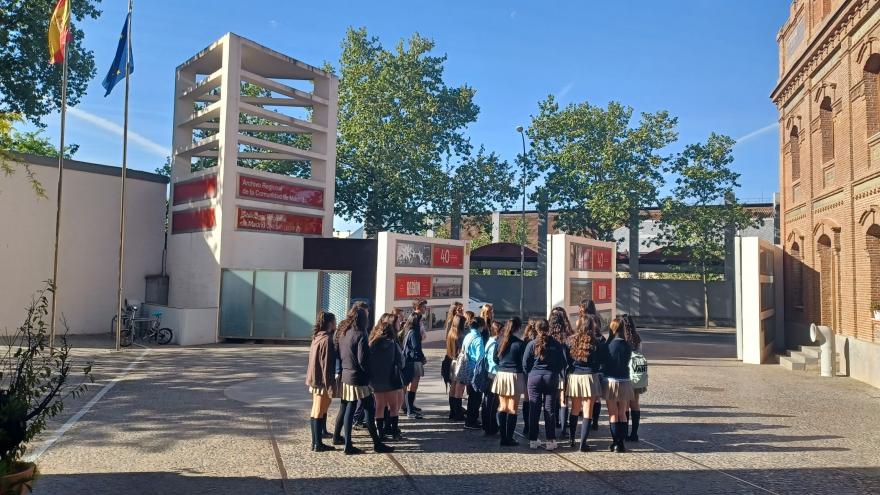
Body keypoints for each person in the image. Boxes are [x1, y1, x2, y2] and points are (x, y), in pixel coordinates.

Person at [338, 306, 394, 455]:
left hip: (347, 375)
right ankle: (374, 443)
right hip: (360, 378)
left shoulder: (344, 332)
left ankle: (350, 443)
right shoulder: (360, 334)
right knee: (369, 408)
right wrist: (370, 373)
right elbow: (363, 360)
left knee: (351, 408)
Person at [566, 301, 608, 451]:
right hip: (590, 377)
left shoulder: (571, 341)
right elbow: (602, 360)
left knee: (574, 409)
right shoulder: (596, 342)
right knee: (587, 411)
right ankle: (583, 444)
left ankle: (571, 439)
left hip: (575, 377)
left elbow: (568, 359)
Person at [522, 318, 567, 450]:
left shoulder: (531, 344)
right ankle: (550, 440)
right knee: (550, 409)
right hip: (550, 377)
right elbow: (562, 363)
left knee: (534, 408)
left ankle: (533, 439)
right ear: (549, 329)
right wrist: (555, 371)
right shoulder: (556, 344)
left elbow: (525, 363)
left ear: (536, 329)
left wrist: (530, 373)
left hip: (534, 377)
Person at [368, 313, 405, 441]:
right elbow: (400, 362)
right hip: (391, 380)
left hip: (376, 381)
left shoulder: (372, 345)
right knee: (393, 407)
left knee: (379, 406)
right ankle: (394, 432)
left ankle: (380, 433)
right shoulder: (393, 344)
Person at [305, 311, 337, 452]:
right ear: (330, 323)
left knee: (320, 407)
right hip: (320, 380)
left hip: (315, 378)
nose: (336, 324)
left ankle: (319, 437)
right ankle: (317, 443)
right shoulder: (327, 339)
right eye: (335, 322)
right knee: (317, 409)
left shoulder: (318, 337)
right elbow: (326, 365)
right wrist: (330, 385)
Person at [492, 317, 525, 447]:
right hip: (514, 375)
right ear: (518, 328)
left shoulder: (500, 340)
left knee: (502, 407)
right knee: (512, 409)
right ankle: (509, 438)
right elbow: (523, 362)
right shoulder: (519, 343)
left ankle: (503, 436)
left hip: (501, 374)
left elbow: (495, 358)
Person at [605, 316, 636, 453]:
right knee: (622, 413)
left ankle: (615, 443)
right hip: (624, 380)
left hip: (611, 381)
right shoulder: (627, 346)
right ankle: (622, 443)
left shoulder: (608, 345)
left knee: (613, 413)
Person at [549, 307, 574, 439]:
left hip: (551, 372)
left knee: (551, 401)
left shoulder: (547, 336)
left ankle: (552, 427)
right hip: (564, 372)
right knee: (564, 401)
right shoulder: (569, 337)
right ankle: (564, 430)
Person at [402, 299, 428, 419]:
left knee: (410, 386)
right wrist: (422, 358)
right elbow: (416, 347)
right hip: (413, 361)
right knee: (413, 386)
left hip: (410, 360)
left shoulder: (408, 330)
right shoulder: (414, 332)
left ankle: (409, 408)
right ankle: (409, 410)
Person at [461, 316, 486, 430]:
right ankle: (472, 420)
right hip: (476, 371)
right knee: (476, 397)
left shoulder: (468, 336)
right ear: (481, 326)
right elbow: (480, 357)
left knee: (472, 396)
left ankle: (470, 420)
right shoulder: (478, 339)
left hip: (467, 369)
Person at [623, 314, 644, 442]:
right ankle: (634, 433)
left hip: (625, 373)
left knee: (625, 405)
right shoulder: (637, 338)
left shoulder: (622, 338)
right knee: (635, 404)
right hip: (636, 374)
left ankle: (624, 433)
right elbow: (641, 353)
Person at [481, 320, 503, 436]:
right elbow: (495, 359)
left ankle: (487, 424)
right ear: (499, 331)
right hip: (494, 373)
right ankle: (491, 426)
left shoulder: (489, 341)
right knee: (492, 402)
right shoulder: (495, 343)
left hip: (489, 372)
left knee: (488, 401)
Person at [445, 314, 467, 421]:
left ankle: (452, 412)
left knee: (452, 388)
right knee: (459, 388)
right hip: (459, 362)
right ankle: (458, 413)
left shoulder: (450, 333)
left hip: (451, 361)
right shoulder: (461, 335)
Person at [520, 318, 539, 437]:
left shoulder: (524, 341)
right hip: (537, 372)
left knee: (527, 399)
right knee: (536, 401)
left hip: (527, 373)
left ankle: (527, 426)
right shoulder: (539, 341)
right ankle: (534, 425)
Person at [441, 302, 464, 390]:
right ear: (454, 310)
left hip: (454, 352)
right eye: (459, 309)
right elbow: (449, 337)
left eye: (462, 308)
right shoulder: (453, 321)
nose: (461, 310)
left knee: (454, 380)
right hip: (453, 352)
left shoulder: (459, 319)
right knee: (454, 379)